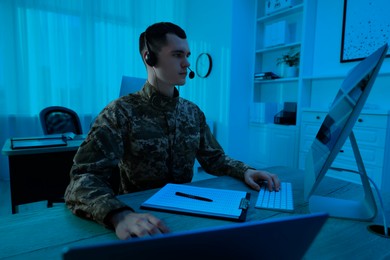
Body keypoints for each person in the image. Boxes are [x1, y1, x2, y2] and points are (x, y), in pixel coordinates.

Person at [64, 22, 280, 240]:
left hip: (187, 214)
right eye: (177, 55)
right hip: (139, 220)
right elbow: (83, 178)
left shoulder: (192, 112)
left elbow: (214, 159)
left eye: (187, 54)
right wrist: (119, 216)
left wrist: (245, 171)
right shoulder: (119, 113)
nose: (187, 63)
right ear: (149, 58)